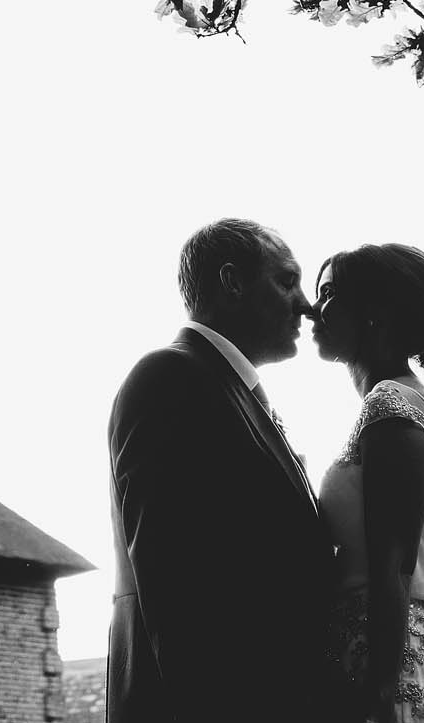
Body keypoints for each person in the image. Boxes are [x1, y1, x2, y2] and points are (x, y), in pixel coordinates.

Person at [106, 218, 344, 723]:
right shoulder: (169, 378)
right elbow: (170, 583)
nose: (305, 304)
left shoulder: (229, 391)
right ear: (232, 282)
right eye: (286, 281)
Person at [314, 244, 424, 723]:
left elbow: (395, 565)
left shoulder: (392, 405)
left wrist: (381, 694)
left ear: (373, 313)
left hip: (394, 666)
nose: (312, 309)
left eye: (328, 294)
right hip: (412, 654)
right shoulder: (407, 402)